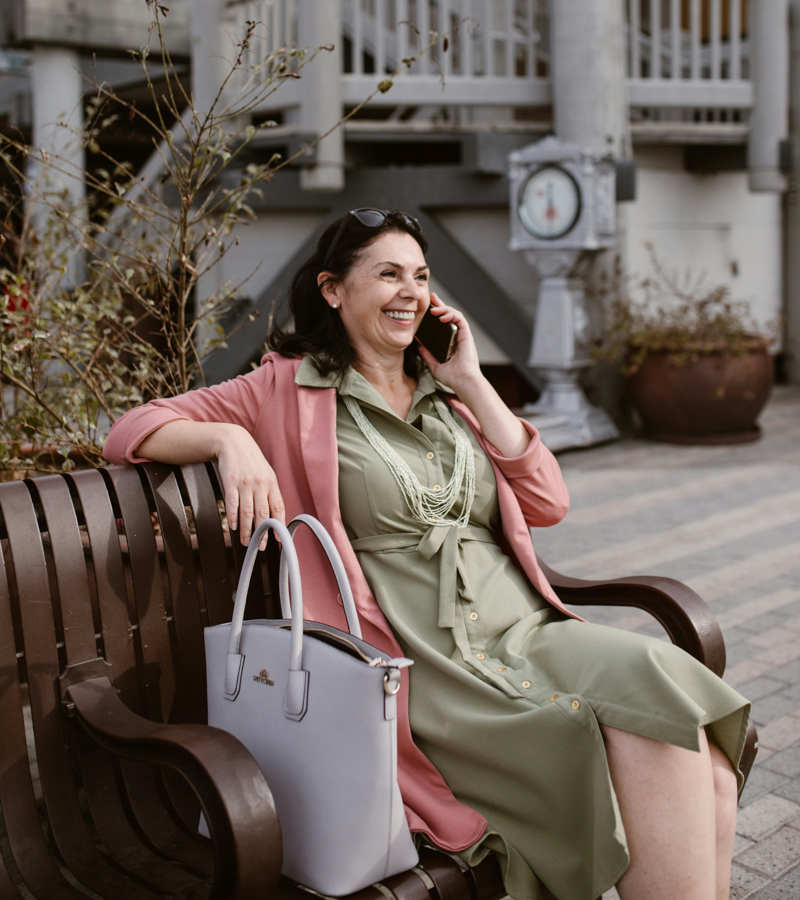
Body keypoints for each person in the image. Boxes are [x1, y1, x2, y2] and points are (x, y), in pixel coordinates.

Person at [104, 208, 750, 900]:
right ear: (332, 289)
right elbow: (131, 429)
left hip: (526, 631)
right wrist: (229, 442)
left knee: (688, 732)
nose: (410, 291)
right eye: (387, 274)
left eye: (420, 275)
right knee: (649, 749)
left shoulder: (448, 392)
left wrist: (472, 380)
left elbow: (549, 502)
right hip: (425, 669)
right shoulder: (284, 389)